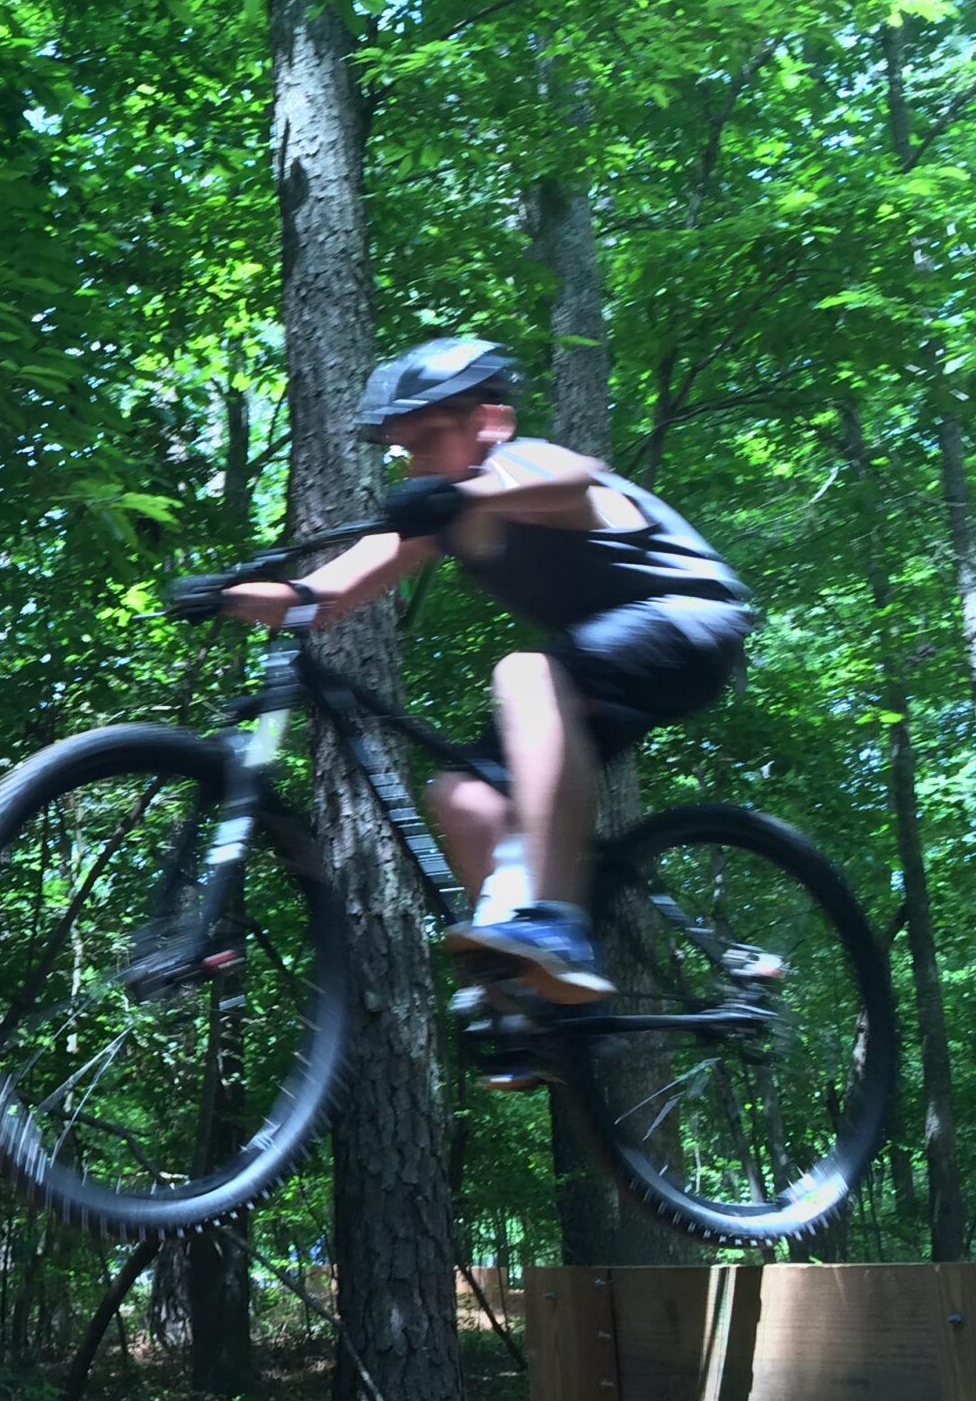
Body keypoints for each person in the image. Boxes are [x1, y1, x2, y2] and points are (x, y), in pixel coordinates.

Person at [220, 337, 756, 1003]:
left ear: (490, 422)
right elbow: (320, 601)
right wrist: (227, 595)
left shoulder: (522, 463)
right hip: (609, 661)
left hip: (694, 618)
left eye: (431, 435)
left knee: (524, 673)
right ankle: (522, 1002)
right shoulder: (442, 515)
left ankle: (554, 925)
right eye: (405, 445)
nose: (416, 459)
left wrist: (472, 494)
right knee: (463, 797)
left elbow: (572, 480)